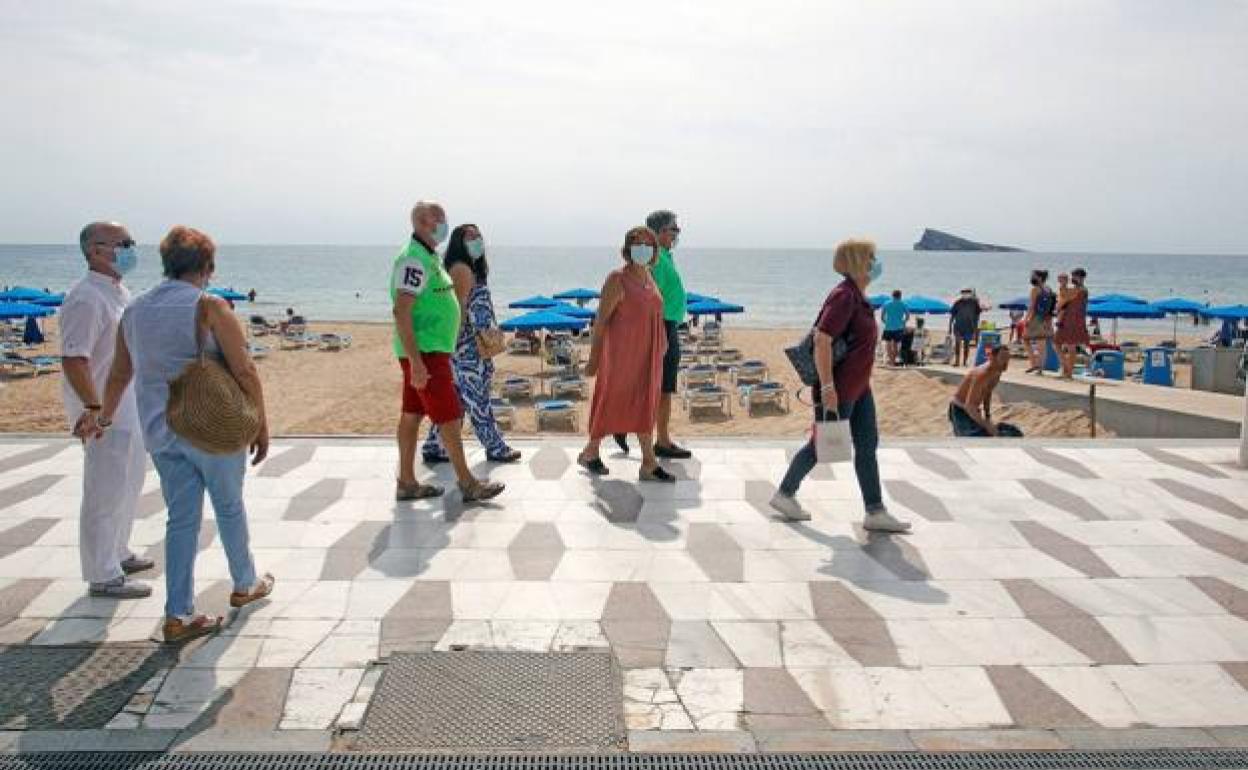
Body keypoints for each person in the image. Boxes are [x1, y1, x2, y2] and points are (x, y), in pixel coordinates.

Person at [81, 226, 274, 643]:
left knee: (181, 520)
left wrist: (104, 418)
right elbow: (244, 370)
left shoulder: (135, 310)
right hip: (213, 428)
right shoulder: (211, 307)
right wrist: (260, 422)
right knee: (228, 507)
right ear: (207, 266)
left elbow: (119, 374)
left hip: (161, 430)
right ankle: (245, 584)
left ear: (167, 263)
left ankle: (178, 614)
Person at [769, 239, 910, 532]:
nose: (875, 262)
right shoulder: (843, 296)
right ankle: (784, 494)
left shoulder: (858, 296)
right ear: (858, 261)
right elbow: (822, 340)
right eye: (871, 257)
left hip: (859, 387)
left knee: (867, 445)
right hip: (840, 388)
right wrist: (828, 388)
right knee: (821, 445)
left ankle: (875, 511)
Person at [61, 221, 153, 599]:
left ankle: (118, 551)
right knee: (104, 487)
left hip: (128, 403)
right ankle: (102, 573)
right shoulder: (86, 298)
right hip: (101, 408)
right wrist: (93, 406)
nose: (131, 248)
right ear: (97, 250)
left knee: (129, 482)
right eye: (123, 243)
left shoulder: (118, 292)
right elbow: (73, 358)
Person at [391, 201, 504, 503]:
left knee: (412, 415)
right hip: (426, 352)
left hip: (431, 350)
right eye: (435, 218)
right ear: (419, 223)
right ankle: (467, 483)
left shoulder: (430, 258)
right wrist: (415, 361)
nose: (442, 222)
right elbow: (402, 311)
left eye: (443, 217)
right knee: (450, 416)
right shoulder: (413, 260)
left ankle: (406, 481)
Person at [577, 226, 675, 483]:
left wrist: (662, 343)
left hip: (649, 353)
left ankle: (648, 462)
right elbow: (600, 322)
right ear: (628, 248)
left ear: (654, 251)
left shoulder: (649, 276)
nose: (642, 248)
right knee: (611, 400)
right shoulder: (617, 279)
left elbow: (655, 313)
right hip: (621, 353)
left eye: (648, 244)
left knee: (646, 402)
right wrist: (594, 360)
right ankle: (591, 451)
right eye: (637, 243)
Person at [422, 224, 521, 464]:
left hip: (474, 347)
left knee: (457, 401)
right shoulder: (462, 269)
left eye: (478, 236)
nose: (477, 240)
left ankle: (435, 445)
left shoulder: (470, 269)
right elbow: (458, 310)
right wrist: (451, 346)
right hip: (466, 348)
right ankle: (495, 447)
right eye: (470, 237)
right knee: (479, 399)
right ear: (459, 243)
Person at [613, 210, 691, 459]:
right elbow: (649, 298)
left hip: (669, 324)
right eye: (673, 230)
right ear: (659, 233)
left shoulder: (665, 256)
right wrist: (660, 333)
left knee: (659, 386)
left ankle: (627, 427)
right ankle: (662, 440)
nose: (677, 234)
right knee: (662, 387)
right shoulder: (655, 260)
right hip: (662, 325)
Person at [949, 343, 1010, 436]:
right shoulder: (982, 374)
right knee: (978, 437)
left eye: (1007, 358)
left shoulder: (997, 371)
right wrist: (987, 426)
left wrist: (987, 416)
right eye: (1002, 358)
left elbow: (987, 393)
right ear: (992, 357)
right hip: (959, 410)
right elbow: (969, 406)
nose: (1005, 362)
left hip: (973, 410)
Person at [1054, 268, 1090, 380]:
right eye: (1072, 276)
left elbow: (1062, 300)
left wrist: (1062, 285)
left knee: (1070, 346)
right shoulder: (1077, 289)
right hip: (1068, 320)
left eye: (1074, 276)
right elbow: (1063, 298)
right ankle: (1066, 368)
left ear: (1081, 278)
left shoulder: (1080, 290)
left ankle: (1068, 372)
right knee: (1057, 343)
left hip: (1073, 321)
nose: (1072, 278)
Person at [1022, 269, 1055, 374]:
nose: (1032, 278)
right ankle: (1040, 368)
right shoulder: (1048, 289)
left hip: (1035, 318)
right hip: (1045, 318)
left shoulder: (1035, 289)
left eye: (1034, 276)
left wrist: (1026, 319)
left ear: (1040, 278)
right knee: (1042, 344)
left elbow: (1031, 306)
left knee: (1025, 339)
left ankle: (1034, 364)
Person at [948, 288, 982, 366]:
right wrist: (949, 327)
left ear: (970, 294)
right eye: (963, 293)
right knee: (957, 343)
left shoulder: (974, 303)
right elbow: (952, 315)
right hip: (958, 327)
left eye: (967, 293)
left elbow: (977, 315)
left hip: (969, 327)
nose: (965, 295)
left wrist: (976, 328)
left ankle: (965, 361)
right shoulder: (957, 303)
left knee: (966, 345)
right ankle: (957, 361)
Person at [879, 290, 908, 366]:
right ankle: (892, 362)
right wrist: (903, 322)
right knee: (895, 345)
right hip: (898, 328)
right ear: (900, 296)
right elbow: (907, 316)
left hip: (888, 327)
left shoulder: (886, 303)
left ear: (892, 295)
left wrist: (886, 322)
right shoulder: (903, 304)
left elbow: (882, 317)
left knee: (888, 345)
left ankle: (891, 361)